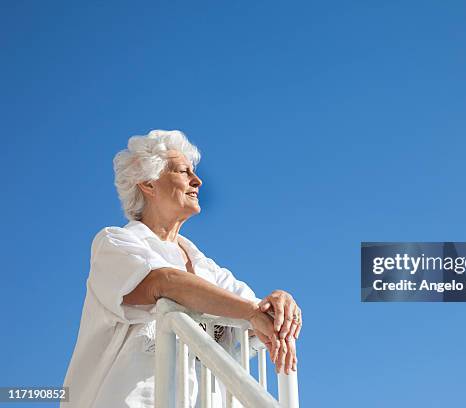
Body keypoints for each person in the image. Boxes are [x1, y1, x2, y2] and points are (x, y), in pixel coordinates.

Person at [61, 130, 302, 408]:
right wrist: (249, 312)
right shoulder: (114, 242)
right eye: (183, 171)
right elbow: (162, 282)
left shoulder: (208, 269)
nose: (197, 180)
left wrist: (279, 305)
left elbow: (254, 316)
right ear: (149, 184)